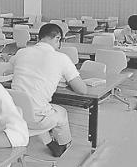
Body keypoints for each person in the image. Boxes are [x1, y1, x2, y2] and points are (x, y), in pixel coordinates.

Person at [9, 23, 87, 157]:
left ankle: (50, 142)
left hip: (14, 112)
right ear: (57, 38)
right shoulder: (61, 58)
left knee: (36, 106)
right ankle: (63, 145)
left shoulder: (21, 52)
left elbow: (12, 69)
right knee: (60, 112)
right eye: (59, 41)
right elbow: (82, 90)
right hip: (37, 118)